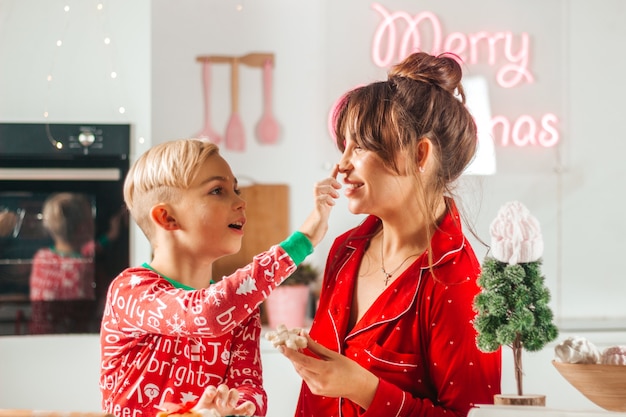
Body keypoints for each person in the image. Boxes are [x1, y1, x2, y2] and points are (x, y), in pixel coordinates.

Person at [280, 52, 502, 417]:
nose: (342, 164)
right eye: (343, 146)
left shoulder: (458, 284)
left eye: (362, 146)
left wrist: (364, 389)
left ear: (419, 154)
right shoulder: (345, 250)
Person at [99, 139, 340, 417]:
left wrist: (233, 410)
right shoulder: (130, 290)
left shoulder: (241, 308)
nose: (240, 201)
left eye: (235, 189)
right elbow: (206, 313)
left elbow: (250, 387)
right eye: (218, 191)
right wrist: (302, 242)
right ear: (167, 218)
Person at [29, 192, 99, 333]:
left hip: (40, 335)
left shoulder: (41, 257)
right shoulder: (84, 264)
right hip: (75, 336)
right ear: (82, 228)